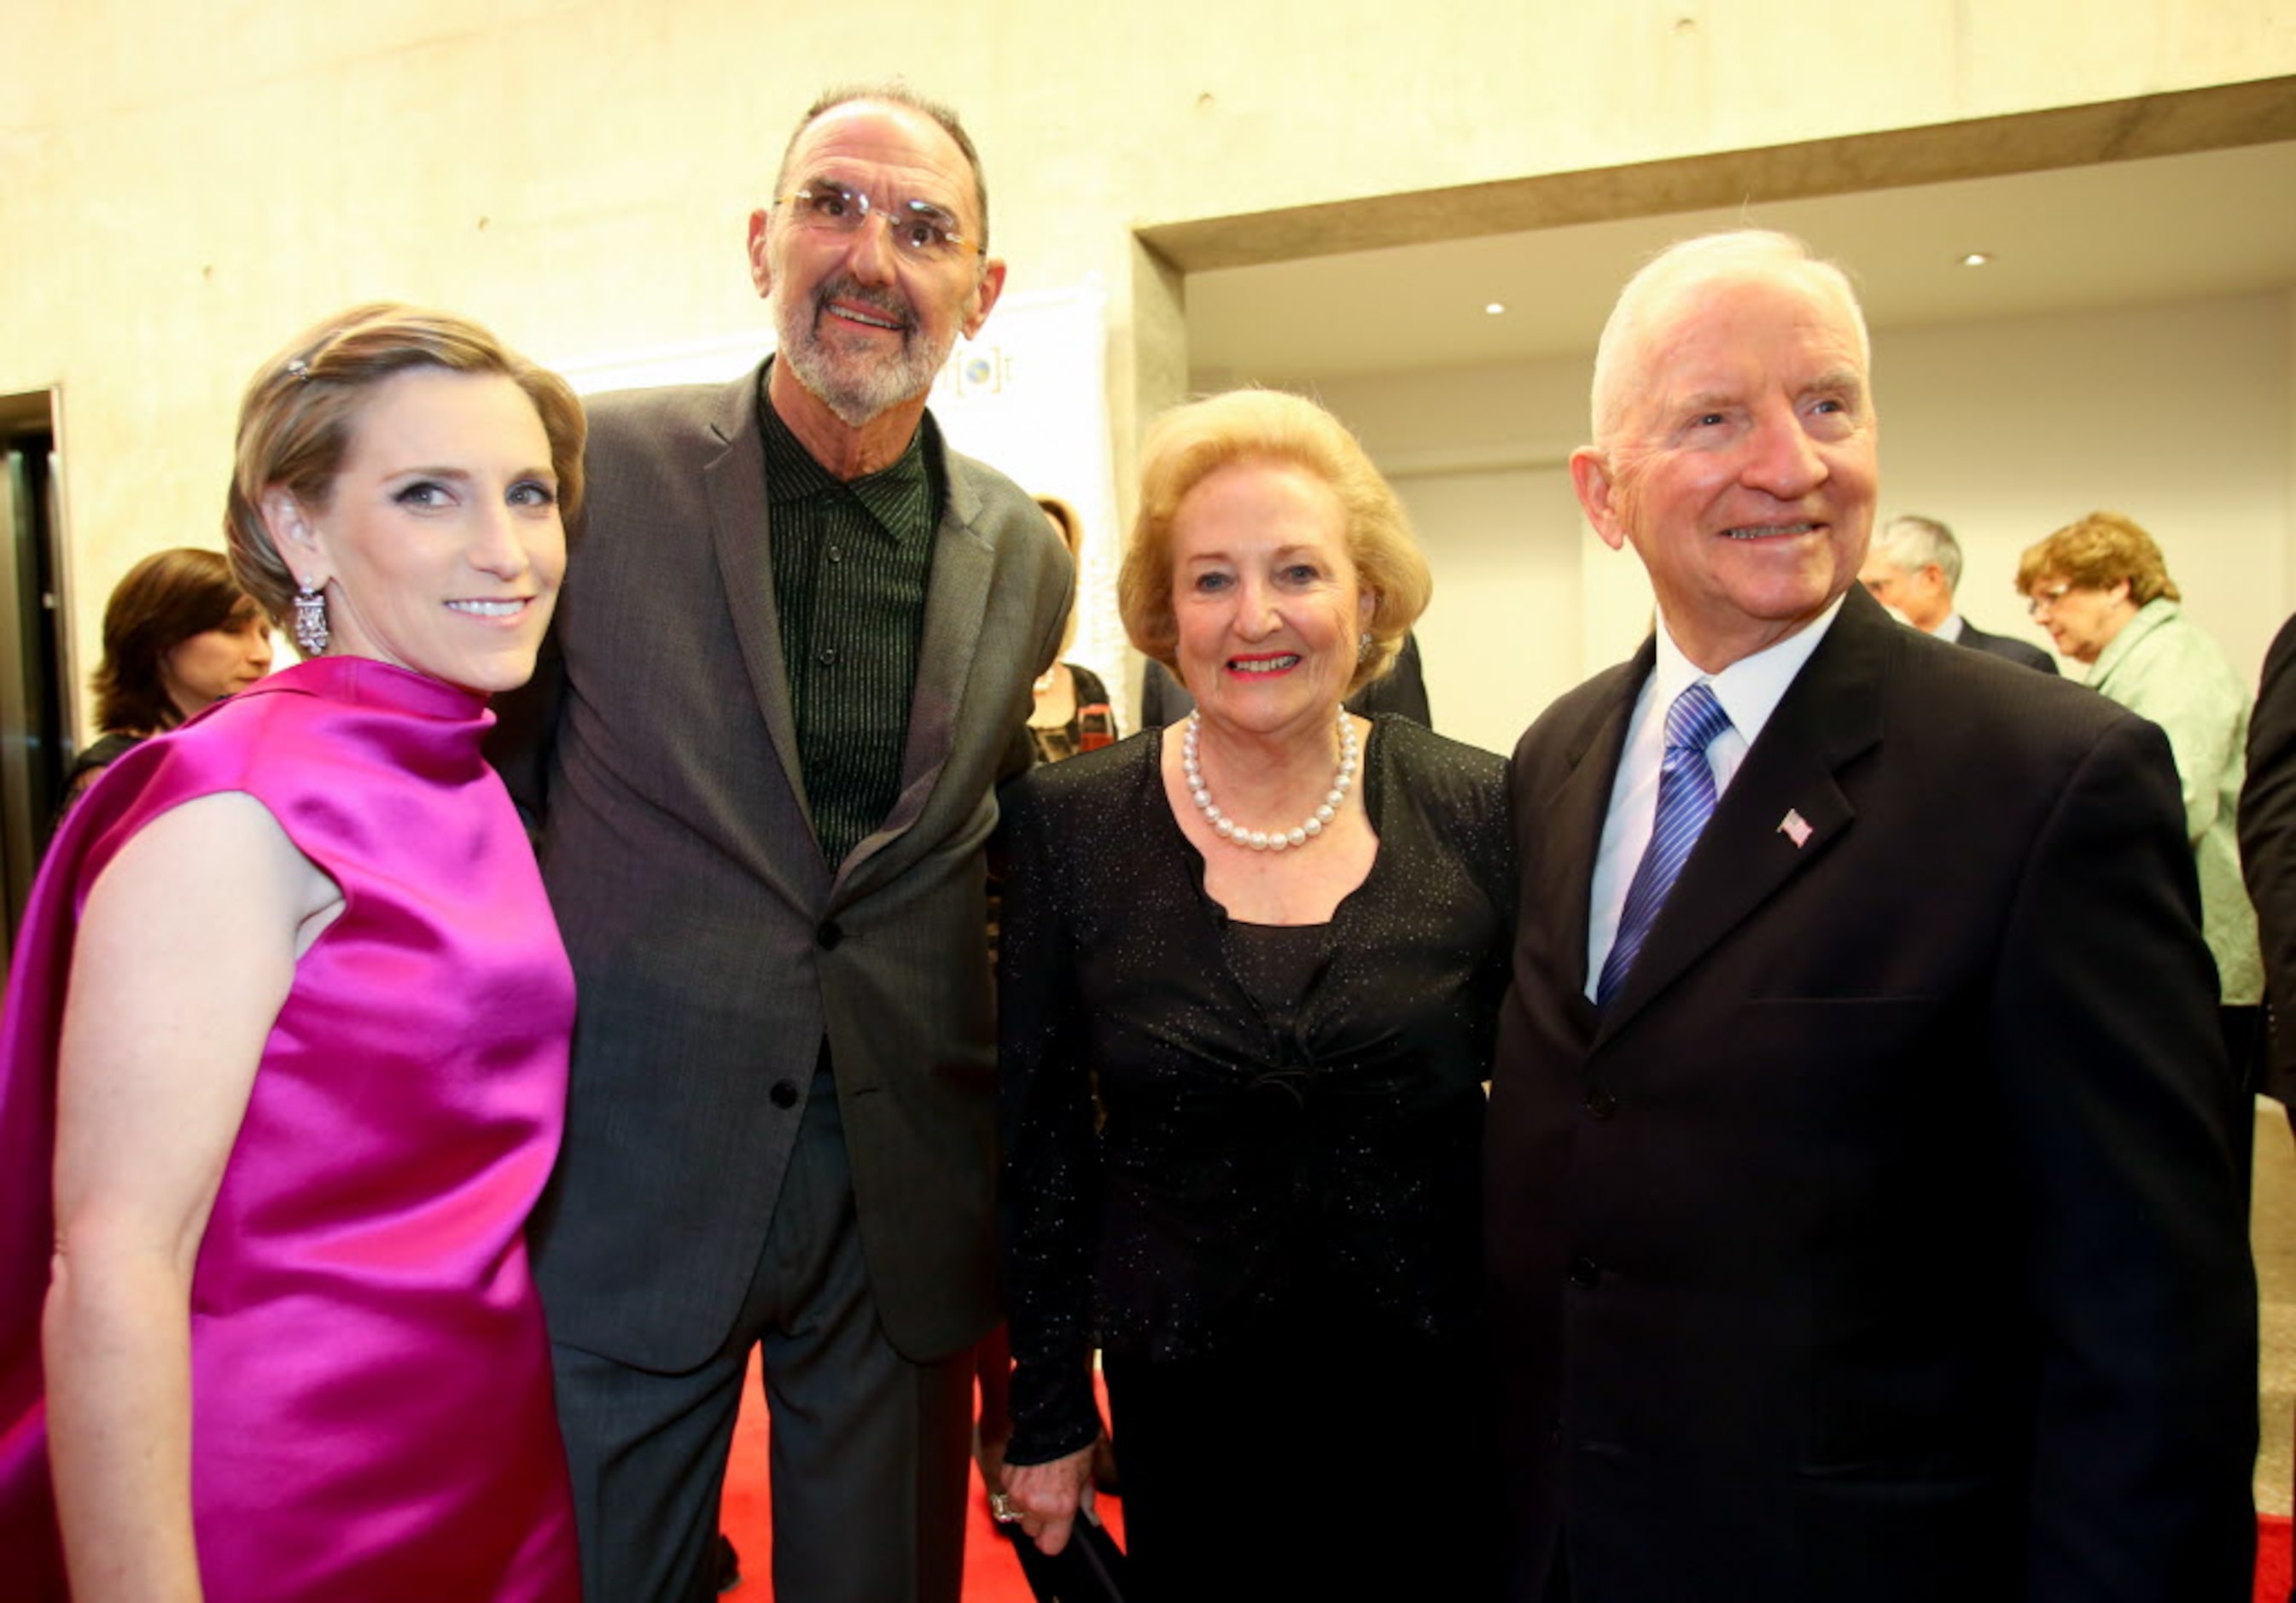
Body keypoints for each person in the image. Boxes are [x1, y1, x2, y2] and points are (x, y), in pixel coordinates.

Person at [1486, 230, 2256, 1601]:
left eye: (1827, 403)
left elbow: (2148, 1330)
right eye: (1714, 417)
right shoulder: (1554, 762)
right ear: (1602, 497)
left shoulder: (2045, 782)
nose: (1791, 463)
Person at [486, 82, 1072, 1603]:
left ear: (981, 289)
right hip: (629, 1174)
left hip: (897, 1193)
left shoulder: (1025, 549)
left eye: (925, 227)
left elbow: (983, 853)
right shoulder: (593, 477)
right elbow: (495, 803)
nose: (874, 255)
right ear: (763, 243)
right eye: (835, 204)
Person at [0, 302, 586, 1599]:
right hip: (281, 1500)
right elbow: (111, 1261)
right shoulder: (237, 801)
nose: (507, 547)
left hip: (476, 1456)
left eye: (530, 492)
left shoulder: (452, 765)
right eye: (429, 494)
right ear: (296, 525)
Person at [998, 389, 1510, 1602]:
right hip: (1188, 1404)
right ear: (1164, 616)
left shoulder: (1482, 810)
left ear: (1367, 596)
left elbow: (1556, 1112)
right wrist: (1051, 1406)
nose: (1256, 617)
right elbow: (1040, 1142)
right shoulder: (1070, 827)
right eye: (1212, 579)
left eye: (1297, 571)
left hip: (1442, 1393)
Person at [2018, 510, 2263, 1131]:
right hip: (2165, 941)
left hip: (2198, 951)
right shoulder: (2137, 663)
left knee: (2197, 1139)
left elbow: (2172, 802)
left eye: (2053, 596)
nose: (2042, 617)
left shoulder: (2176, 662)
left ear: (2117, 585)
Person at [58, 546, 273, 808]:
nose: (261, 654)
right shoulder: (116, 775)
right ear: (161, 639)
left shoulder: (250, 753)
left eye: (265, 634)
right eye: (232, 631)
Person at [1857, 513, 2056, 673]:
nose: (1866, 600)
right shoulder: (1860, 665)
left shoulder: (2019, 665)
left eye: (1877, 587)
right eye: (1860, 589)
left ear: (1931, 579)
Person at [1137, 627, 1431, 726]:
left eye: (1299, 573)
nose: (1255, 623)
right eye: (1214, 580)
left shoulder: (1377, 644)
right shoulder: (1166, 659)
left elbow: (1412, 784)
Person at [1024, 494, 1119, 761]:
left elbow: (1115, 788)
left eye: (1062, 557)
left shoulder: (1088, 687)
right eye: (1038, 553)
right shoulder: (979, 692)